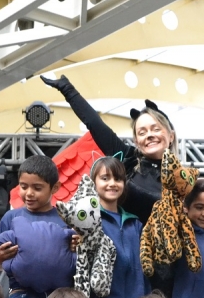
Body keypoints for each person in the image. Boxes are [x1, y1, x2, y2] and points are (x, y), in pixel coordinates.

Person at [40, 74, 175, 222]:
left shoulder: (185, 180)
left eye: (156, 129)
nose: (149, 135)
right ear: (137, 141)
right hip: (126, 243)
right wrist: (68, 90)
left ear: (171, 136)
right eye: (142, 132)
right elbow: (95, 124)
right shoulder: (128, 160)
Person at [0, 155, 76, 298]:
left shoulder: (65, 218)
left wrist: (77, 245)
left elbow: (79, 258)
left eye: (37, 188)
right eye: (23, 186)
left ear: (54, 188)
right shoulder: (11, 217)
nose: (29, 193)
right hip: (23, 296)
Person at [87, 156, 149, 298]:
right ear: (93, 183)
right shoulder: (88, 220)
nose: (112, 183)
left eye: (118, 179)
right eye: (105, 178)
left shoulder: (136, 223)